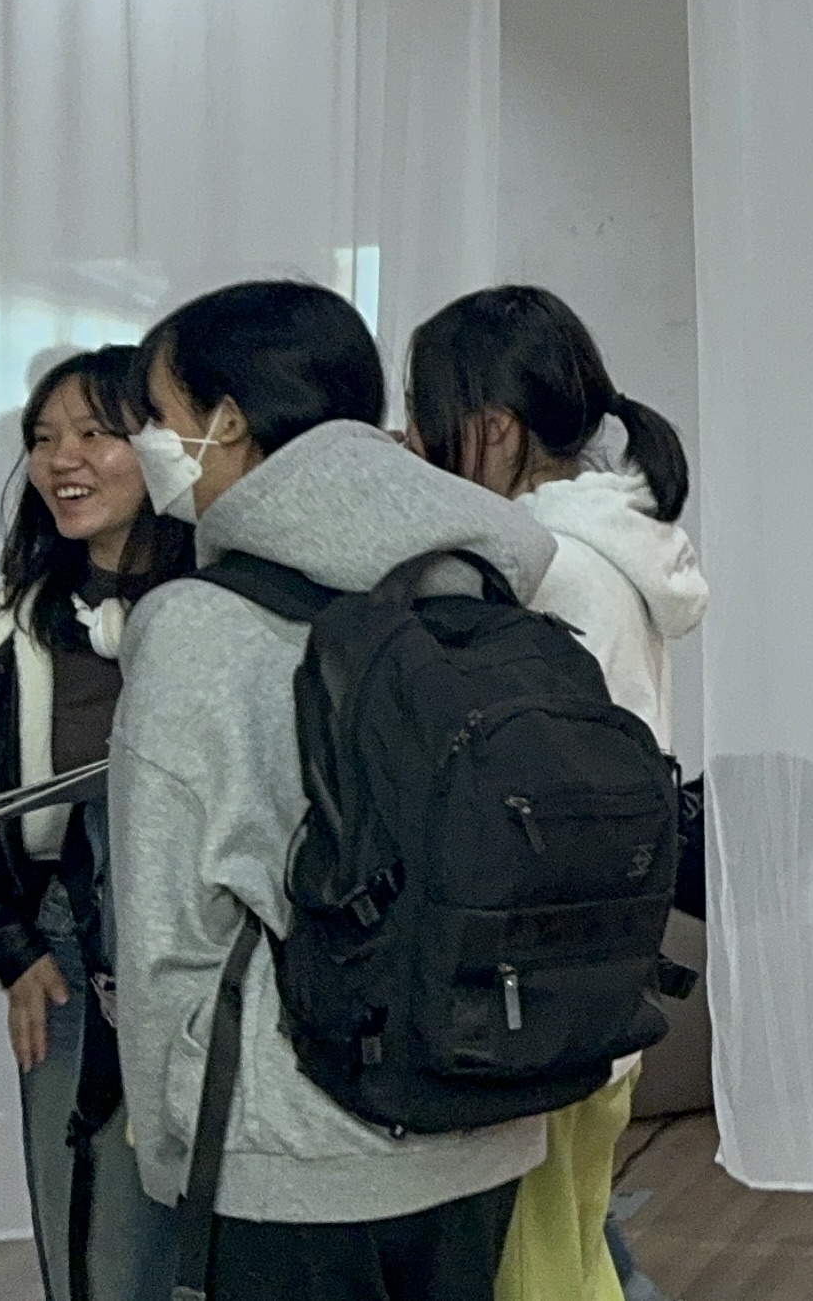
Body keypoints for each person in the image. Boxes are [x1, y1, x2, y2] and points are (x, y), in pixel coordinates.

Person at [114, 282, 557, 1296]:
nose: (150, 442)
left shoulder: (196, 625)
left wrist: (178, 1147)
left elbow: (166, 931)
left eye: (160, 414)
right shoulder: (475, 582)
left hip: (291, 1154)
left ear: (228, 421)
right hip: (483, 1111)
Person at [406, 288, 707, 1301]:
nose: (414, 439)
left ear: (493, 428)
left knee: (536, 1268)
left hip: (531, 982)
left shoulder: (538, 565)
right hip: (597, 967)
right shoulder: (615, 546)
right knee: (574, 1252)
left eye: (425, 412)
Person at [0, 350, 191, 1301]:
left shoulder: (227, 608)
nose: (60, 459)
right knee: (100, 1249)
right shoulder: (16, 627)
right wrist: (12, 945)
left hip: (214, 964)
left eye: (92, 433)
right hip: (72, 960)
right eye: (43, 439)